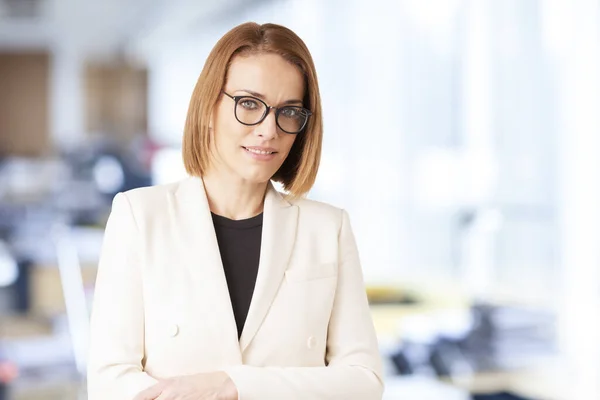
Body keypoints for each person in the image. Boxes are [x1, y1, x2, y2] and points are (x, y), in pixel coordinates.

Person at [87, 22, 383, 400]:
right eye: (249, 104)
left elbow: (363, 380)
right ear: (209, 106)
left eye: (289, 111)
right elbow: (110, 380)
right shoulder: (139, 216)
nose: (268, 130)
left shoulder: (328, 227)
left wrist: (235, 386)